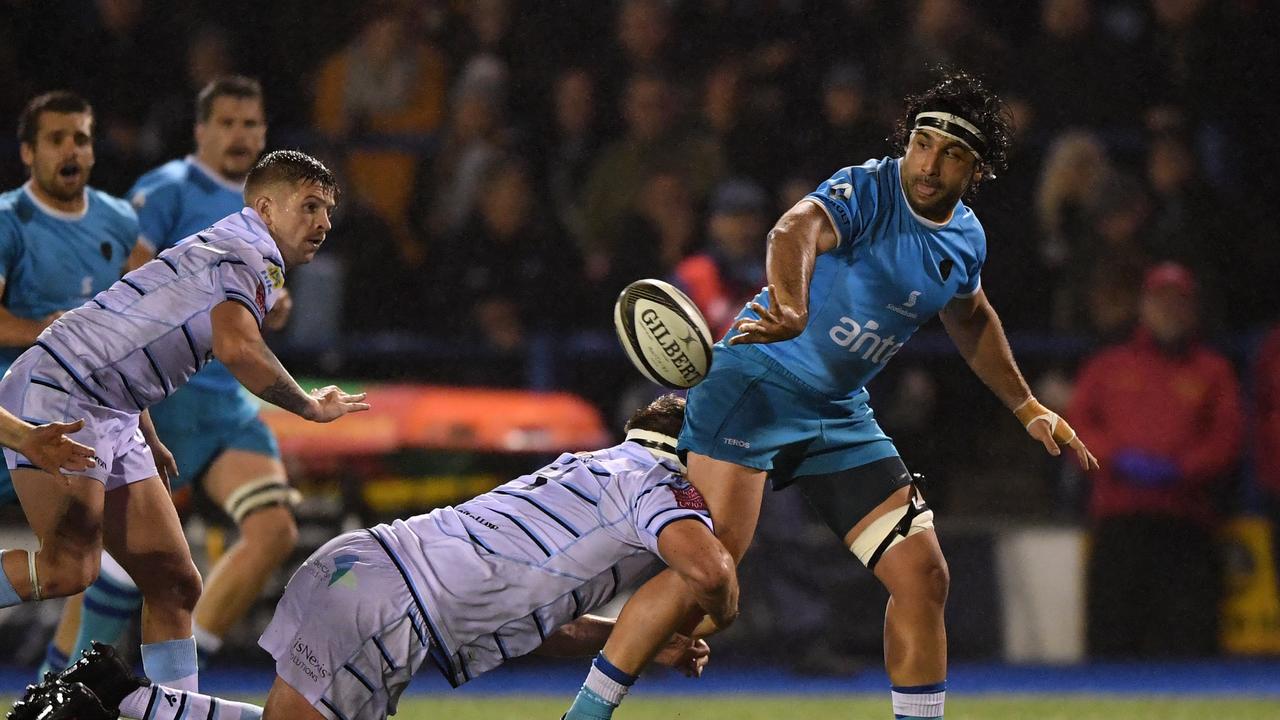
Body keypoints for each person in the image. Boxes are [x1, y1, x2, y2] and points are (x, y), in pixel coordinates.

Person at [564, 69, 1099, 720]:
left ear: (976, 170)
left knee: (923, 576)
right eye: (924, 142)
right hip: (755, 385)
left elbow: (973, 317)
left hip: (838, 412)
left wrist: (1027, 406)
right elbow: (795, 229)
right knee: (713, 568)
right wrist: (789, 301)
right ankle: (585, 713)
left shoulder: (966, 239)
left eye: (952, 153)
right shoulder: (872, 186)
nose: (930, 164)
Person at [17, 395, 738, 720]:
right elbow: (708, 571)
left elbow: (522, 618)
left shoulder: (596, 470)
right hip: (390, 606)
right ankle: (106, 703)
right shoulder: (658, 481)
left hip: (362, 570)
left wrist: (642, 641)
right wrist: (720, 608)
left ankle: (112, 697)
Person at [0, 149, 367, 697]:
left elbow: (133, 326)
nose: (323, 222)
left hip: (112, 406)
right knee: (69, 569)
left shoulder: (235, 245)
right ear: (266, 208)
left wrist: (143, 426)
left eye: (328, 211)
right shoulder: (251, 256)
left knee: (173, 585)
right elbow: (238, 347)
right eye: (309, 206)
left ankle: (179, 714)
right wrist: (310, 406)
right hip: (63, 391)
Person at [34, 75, 293, 675]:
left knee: (274, 528)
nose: (239, 135)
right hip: (165, 403)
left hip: (228, 406)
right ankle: (57, 682)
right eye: (226, 123)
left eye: (250, 124)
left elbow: (262, 305)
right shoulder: (168, 189)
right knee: (114, 563)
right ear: (201, 131)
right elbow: (132, 282)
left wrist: (274, 308)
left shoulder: (273, 205)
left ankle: (174, 680)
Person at [0, 90, 154, 677]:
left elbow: (137, 325)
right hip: (18, 413)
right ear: (27, 153)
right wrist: (46, 330)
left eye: (81, 138)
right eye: (56, 139)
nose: (71, 149)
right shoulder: (8, 221)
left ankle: (59, 690)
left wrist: (143, 422)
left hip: (89, 418)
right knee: (85, 566)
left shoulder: (118, 220)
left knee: (116, 567)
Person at [1069, 262, 1242, 657]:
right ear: (1143, 305)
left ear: (1193, 308)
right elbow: (1077, 428)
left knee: (1189, 642)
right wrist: (1115, 460)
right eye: (1161, 301)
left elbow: (1226, 437)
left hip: (1186, 524)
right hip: (1119, 521)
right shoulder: (1108, 365)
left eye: (1179, 302)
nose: (1170, 311)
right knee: (1111, 642)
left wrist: (1183, 470)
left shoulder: (1212, 370)